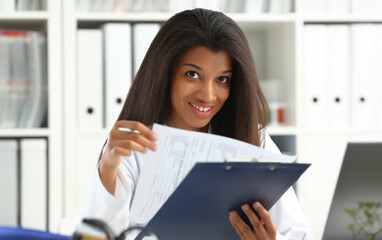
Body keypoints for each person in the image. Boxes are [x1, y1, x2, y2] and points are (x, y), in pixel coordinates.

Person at [82, 8, 313, 240]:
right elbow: (99, 235)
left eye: (222, 79)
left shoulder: (253, 139)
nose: (208, 96)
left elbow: (301, 235)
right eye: (192, 75)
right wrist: (109, 167)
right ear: (165, 73)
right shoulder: (133, 145)